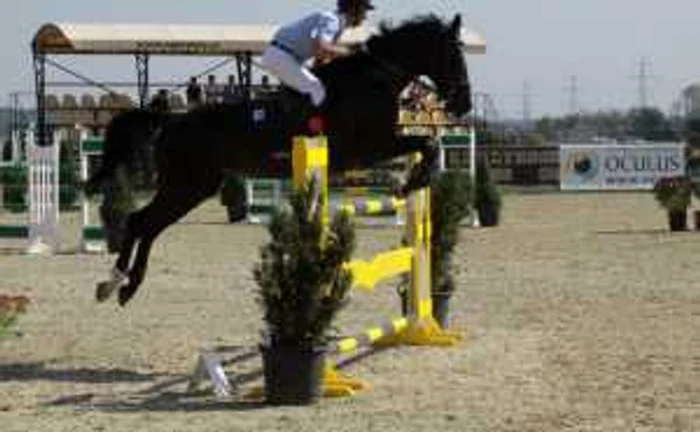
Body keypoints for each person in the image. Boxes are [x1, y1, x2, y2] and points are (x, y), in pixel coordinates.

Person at [260, 0, 374, 112]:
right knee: (315, 87)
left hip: (286, 56)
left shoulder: (337, 24)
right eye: (364, 11)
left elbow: (320, 59)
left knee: (319, 85)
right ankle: (316, 128)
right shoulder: (332, 20)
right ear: (354, 9)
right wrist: (351, 53)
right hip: (281, 56)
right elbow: (321, 47)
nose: (365, 17)